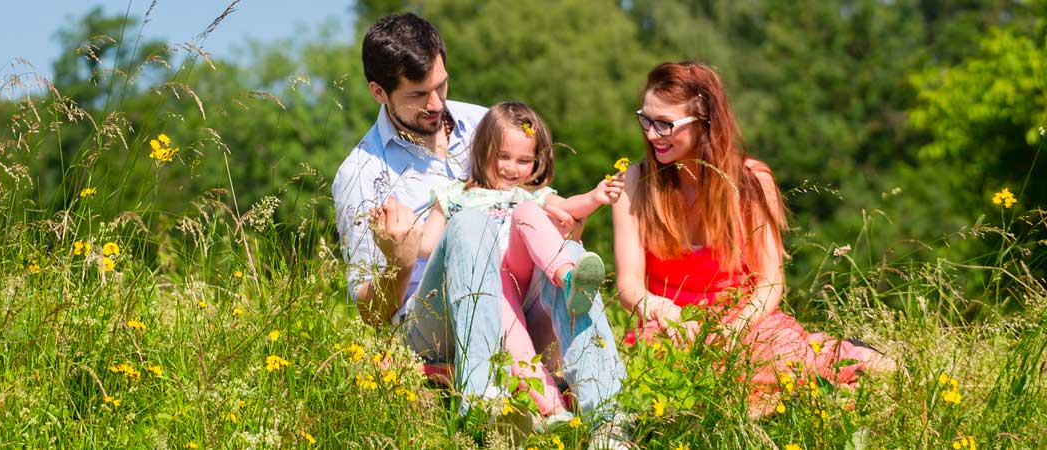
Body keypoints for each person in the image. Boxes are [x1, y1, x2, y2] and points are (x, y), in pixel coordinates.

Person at [332, 13, 630, 447]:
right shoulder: (363, 174)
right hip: (434, 321)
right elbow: (371, 315)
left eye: (442, 85)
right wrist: (399, 261)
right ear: (379, 92)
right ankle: (480, 400)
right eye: (418, 95)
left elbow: (539, 203)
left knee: (566, 265)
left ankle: (609, 419)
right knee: (468, 220)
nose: (436, 104)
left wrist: (570, 223)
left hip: (518, 286)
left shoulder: (483, 124)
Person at [610, 61, 896, 415]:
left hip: (742, 321)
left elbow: (770, 283)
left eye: (665, 124)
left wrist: (736, 327)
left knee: (783, 359)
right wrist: (660, 310)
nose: (652, 135)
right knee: (672, 385)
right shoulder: (634, 183)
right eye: (646, 120)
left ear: (705, 124)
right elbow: (628, 286)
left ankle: (832, 365)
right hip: (669, 327)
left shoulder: (751, 181)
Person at [373, 101, 623, 428]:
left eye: (523, 161)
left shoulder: (531, 195)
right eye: (502, 156)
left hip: (522, 276)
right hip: (489, 285)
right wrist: (399, 234)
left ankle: (569, 277)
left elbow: (568, 209)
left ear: (536, 163)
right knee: (517, 345)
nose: (511, 168)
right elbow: (427, 246)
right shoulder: (454, 195)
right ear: (481, 150)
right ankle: (552, 410)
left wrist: (596, 196)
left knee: (529, 215)